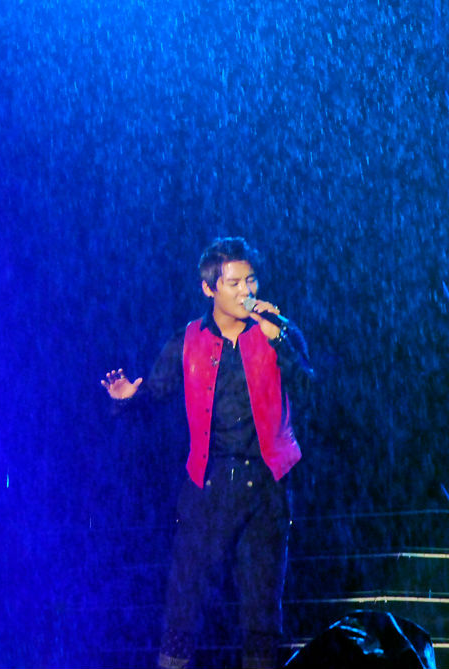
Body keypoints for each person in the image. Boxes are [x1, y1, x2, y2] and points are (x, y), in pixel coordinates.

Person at [102, 237, 314, 669]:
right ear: (209, 288)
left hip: (266, 486)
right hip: (208, 486)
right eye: (234, 283)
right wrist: (127, 399)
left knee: (261, 610)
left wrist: (279, 339)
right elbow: (155, 396)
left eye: (250, 281)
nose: (246, 291)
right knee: (183, 603)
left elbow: (309, 389)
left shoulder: (278, 331)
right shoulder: (187, 340)